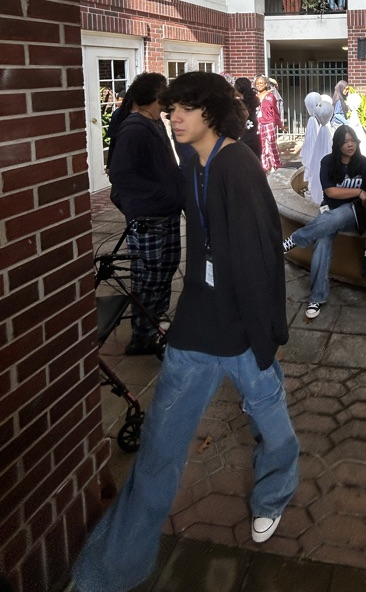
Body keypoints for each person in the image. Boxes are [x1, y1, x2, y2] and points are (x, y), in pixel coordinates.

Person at [72, 72, 299, 592]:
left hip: (243, 333)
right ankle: (109, 572)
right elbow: (154, 197)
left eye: (184, 109)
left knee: (276, 433)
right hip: (196, 328)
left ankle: (272, 497)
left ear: (212, 114)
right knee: (157, 450)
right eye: (171, 107)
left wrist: (268, 336)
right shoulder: (192, 163)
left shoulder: (237, 166)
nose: (173, 116)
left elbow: (263, 256)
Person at [107, 72, 183, 356]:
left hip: (167, 213)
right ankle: (142, 335)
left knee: (166, 268)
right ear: (154, 96)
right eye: (164, 92)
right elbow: (121, 175)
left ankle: (156, 321)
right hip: (148, 216)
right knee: (147, 276)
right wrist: (164, 193)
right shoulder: (134, 128)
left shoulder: (155, 122)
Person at [283, 124, 366, 318]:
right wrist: (358, 191)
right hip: (330, 212)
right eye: (345, 142)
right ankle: (317, 298)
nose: (350, 145)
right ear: (338, 144)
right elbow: (330, 191)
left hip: (354, 215)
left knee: (342, 213)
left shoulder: (365, 164)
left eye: (353, 141)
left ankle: (296, 238)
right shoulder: (328, 162)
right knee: (322, 243)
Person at [255, 75, 282, 173]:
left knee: (271, 144)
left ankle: (276, 164)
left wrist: (279, 123)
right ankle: (265, 166)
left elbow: (275, 110)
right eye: (257, 83)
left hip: (269, 122)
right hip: (259, 123)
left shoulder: (270, 96)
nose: (259, 85)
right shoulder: (255, 97)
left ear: (266, 84)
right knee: (261, 145)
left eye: (261, 83)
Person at [234, 76, 261, 159]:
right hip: (255, 137)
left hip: (242, 138)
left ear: (238, 88)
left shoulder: (237, 104)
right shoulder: (256, 100)